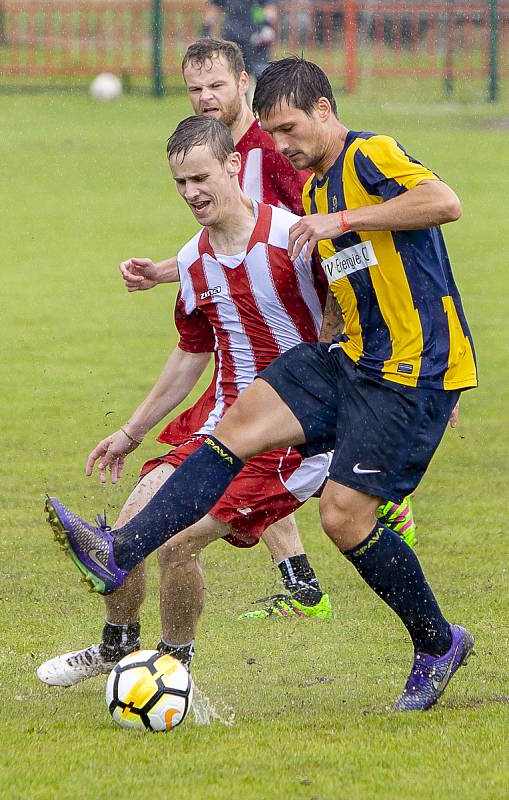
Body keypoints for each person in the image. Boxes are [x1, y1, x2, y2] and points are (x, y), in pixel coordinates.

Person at [45, 57, 478, 712]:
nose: (280, 146)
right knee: (238, 422)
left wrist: (343, 221)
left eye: (289, 129)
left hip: (409, 372)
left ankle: (435, 641)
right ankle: (121, 549)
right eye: (272, 134)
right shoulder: (312, 189)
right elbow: (346, 277)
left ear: (324, 110)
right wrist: (330, 314)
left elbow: (444, 202)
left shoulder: (368, 156)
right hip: (350, 357)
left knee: (342, 517)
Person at [38, 114, 336, 686]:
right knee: (123, 534)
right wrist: (130, 432)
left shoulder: (294, 239)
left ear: (232, 166)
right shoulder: (193, 262)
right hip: (222, 429)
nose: (192, 193)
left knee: (176, 541)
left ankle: (174, 668)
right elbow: (189, 354)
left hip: (292, 439)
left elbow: (353, 314)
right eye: (180, 184)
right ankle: (117, 645)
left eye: (201, 178)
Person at [202, 2, 277, 84]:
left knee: (262, 77)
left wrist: (267, 27)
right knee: (234, 78)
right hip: (233, 41)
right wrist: (206, 32)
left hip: (256, 41)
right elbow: (213, 8)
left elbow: (270, 9)